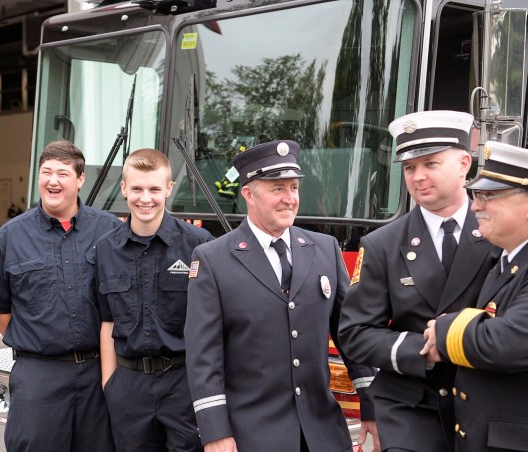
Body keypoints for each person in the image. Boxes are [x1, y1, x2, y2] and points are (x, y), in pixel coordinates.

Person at [185, 140, 378, 451]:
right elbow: (203, 356)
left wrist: (372, 405)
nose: (290, 199)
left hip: (323, 434)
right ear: (248, 193)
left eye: (294, 188)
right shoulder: (212, 259)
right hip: (253, 436)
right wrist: (215, 433)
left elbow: (351, 334)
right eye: (277, 189)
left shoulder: (325, 249)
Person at [338, 111, 499, 452]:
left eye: (431, 164)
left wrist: (459, 340)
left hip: (488, 398)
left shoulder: (501, 232)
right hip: (410, 405)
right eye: (410, 168)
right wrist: (423, 351)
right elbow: (356, 332)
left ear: (464, 164)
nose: (418, 177)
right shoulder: (382, 244)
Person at [0, 139, 120, 451]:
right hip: (39, 376)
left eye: (62, 173)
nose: (52, 181)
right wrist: (35, 339)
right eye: (46, 172)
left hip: (100, 371)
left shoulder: (110, 231)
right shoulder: (10, 237)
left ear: (80, 180)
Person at [420, 141, 528, 451]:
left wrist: (444, 330)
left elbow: (509, 341)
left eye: (489, 197)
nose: (475, 206)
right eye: (477, 196)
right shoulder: (507, 260)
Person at [96, 148, 213, 451]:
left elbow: (215, 322)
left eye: (154, 189)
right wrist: (111, 385)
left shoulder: (200, 246)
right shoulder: (105, 250)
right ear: (123, 189)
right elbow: (107, 321)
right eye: (136, 188)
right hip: (129, 387)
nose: (144, 198)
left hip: (183, 383)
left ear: (169, 189)